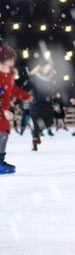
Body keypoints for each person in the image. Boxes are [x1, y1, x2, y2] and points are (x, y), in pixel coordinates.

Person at [0, 40, 32, 174]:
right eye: (10, 60)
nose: (12, 63)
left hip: (4, 110)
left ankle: (1, 161)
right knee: (1, 134)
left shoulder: (10, 73)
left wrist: (26, 96)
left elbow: (12, 90)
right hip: (2, 110)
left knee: (4, 134)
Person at [28, 59, 57, 151]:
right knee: (36, 123)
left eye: (51, 66)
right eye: (48, 65)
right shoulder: (34, 77)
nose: (50, 67)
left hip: (47, 103)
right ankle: (34, 141)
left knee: (49, 122)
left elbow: (53, 89)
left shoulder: (51, 78)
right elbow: (29, 88)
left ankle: (38, 133)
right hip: (35, 103)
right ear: (43, 66)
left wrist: (54, 95)